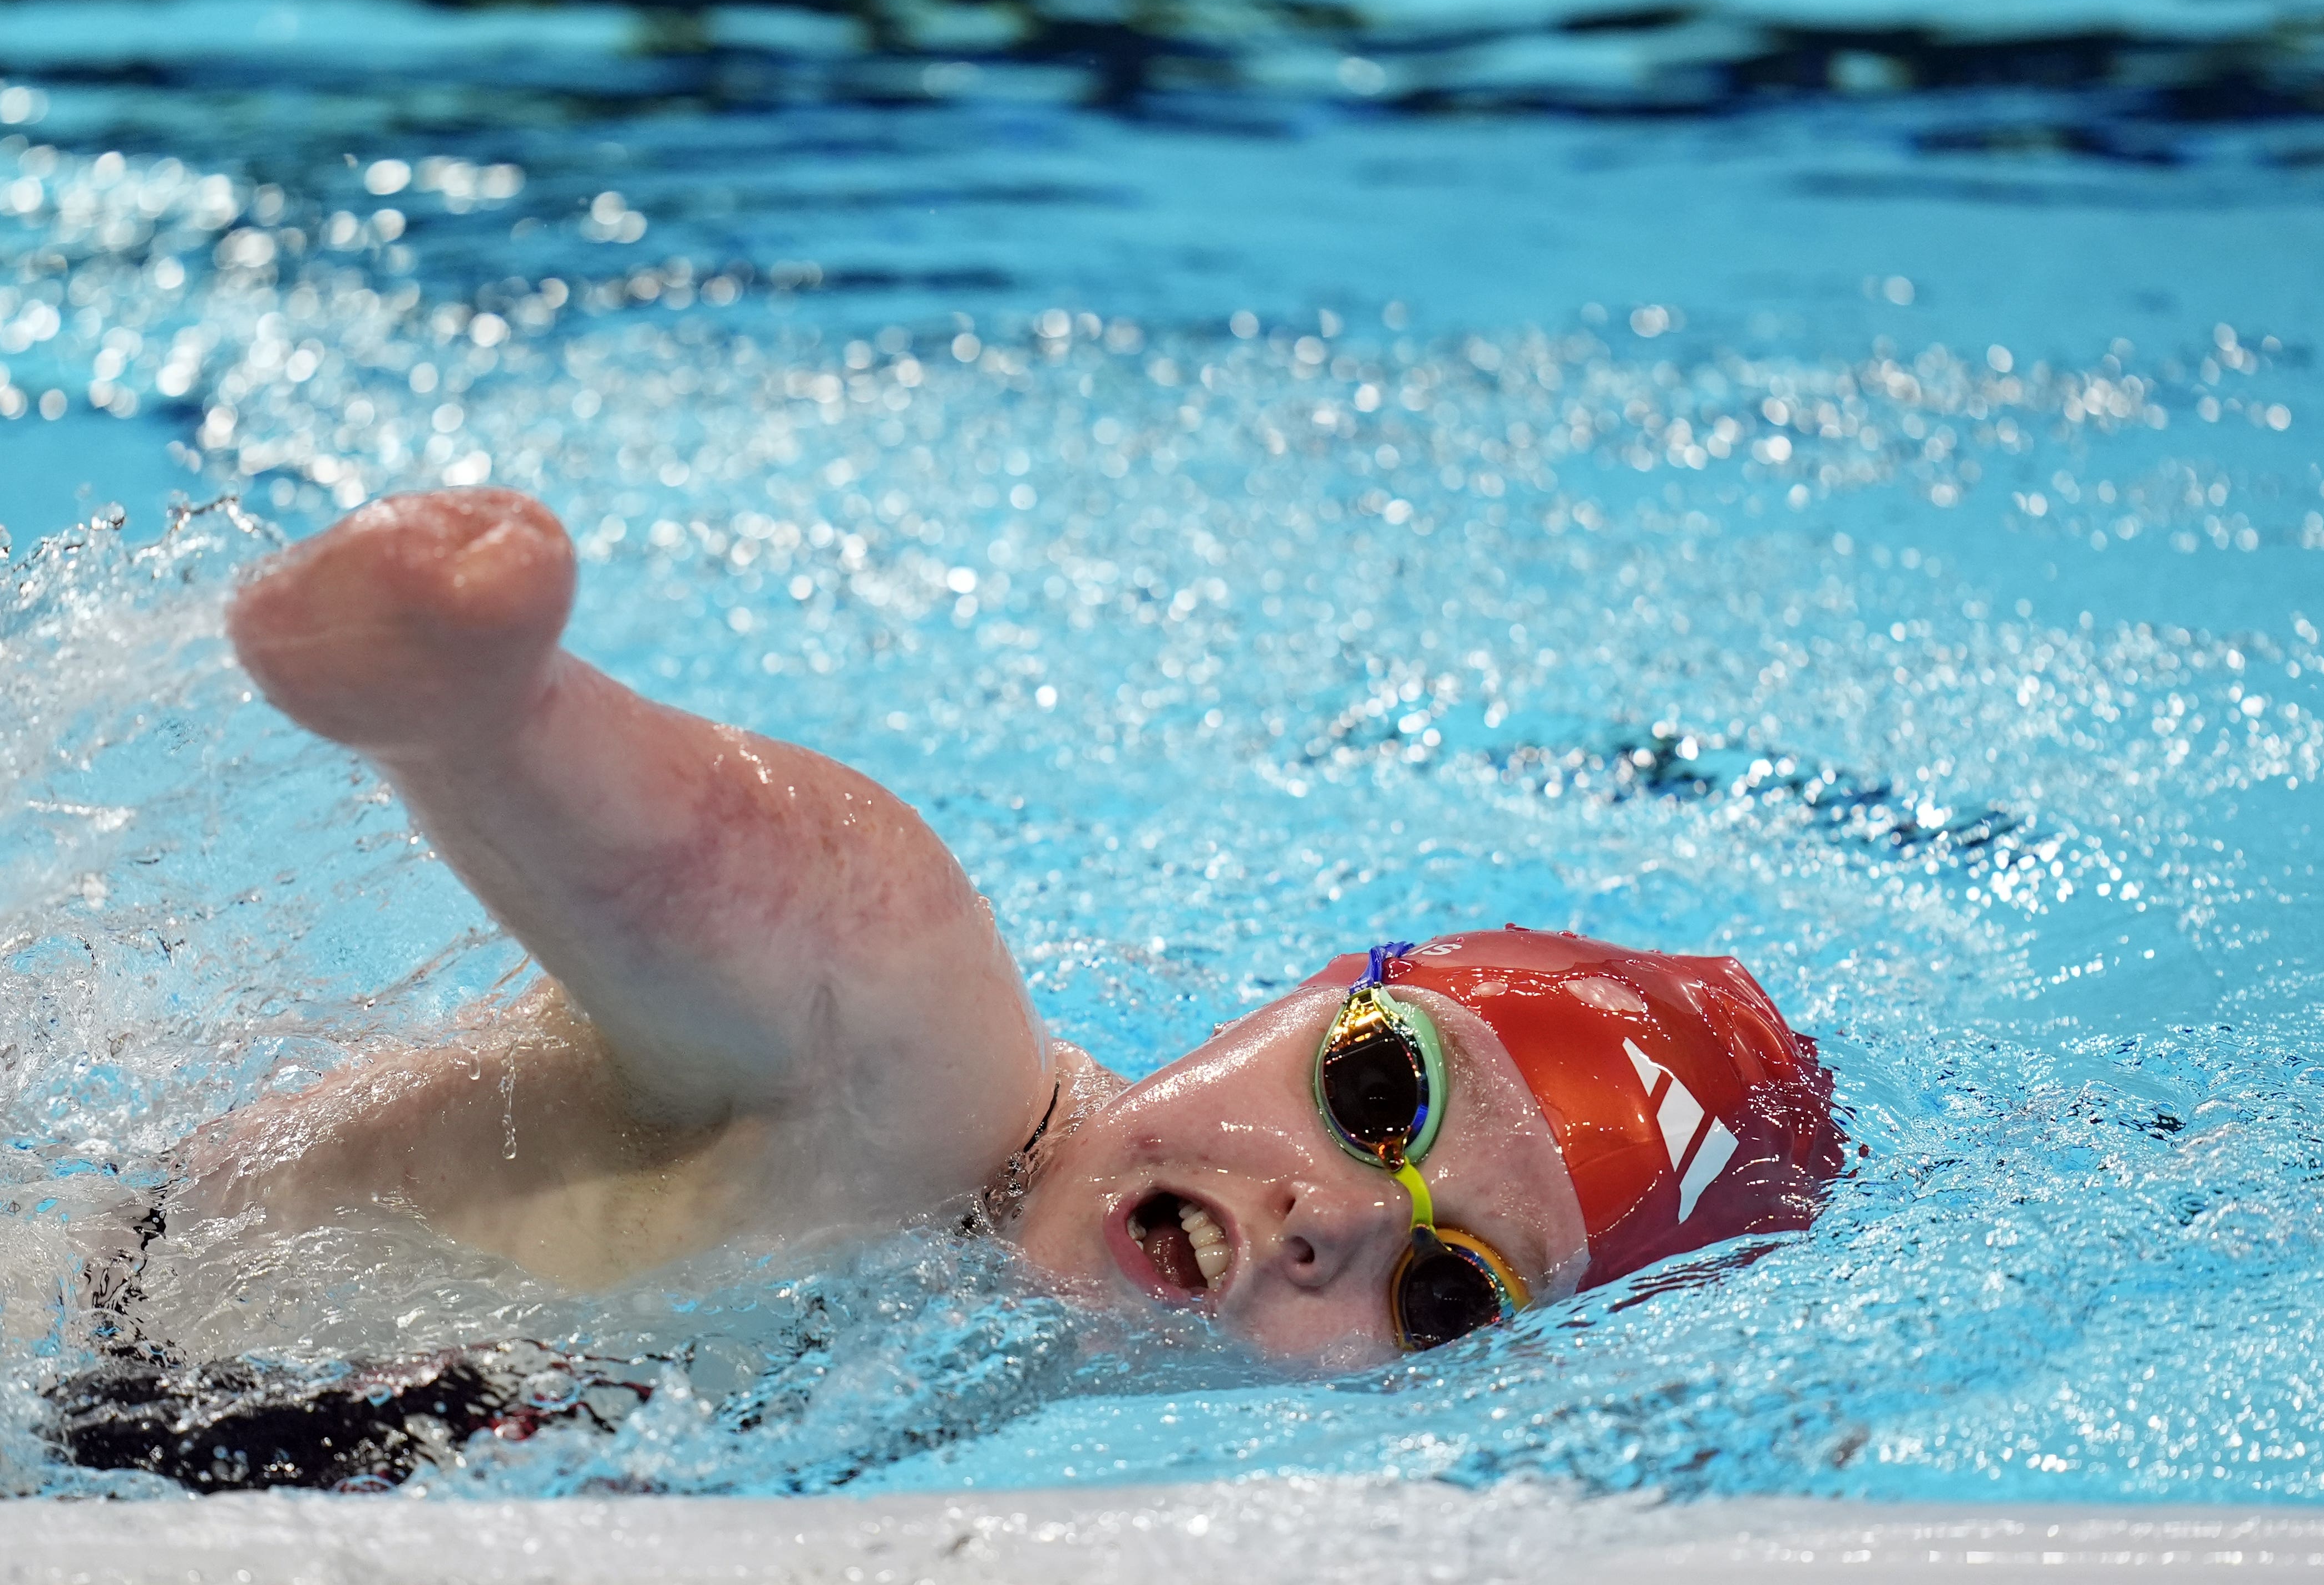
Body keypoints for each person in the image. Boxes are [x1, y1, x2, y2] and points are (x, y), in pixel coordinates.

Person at [160, 487, 1843, 1374]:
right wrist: (483, 706)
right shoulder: (925, 1087)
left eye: (1449, 1298)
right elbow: (844, 916)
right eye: (1377, 1094)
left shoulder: (1018, 1386)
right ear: (1301, 997)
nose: (1327, 1219)